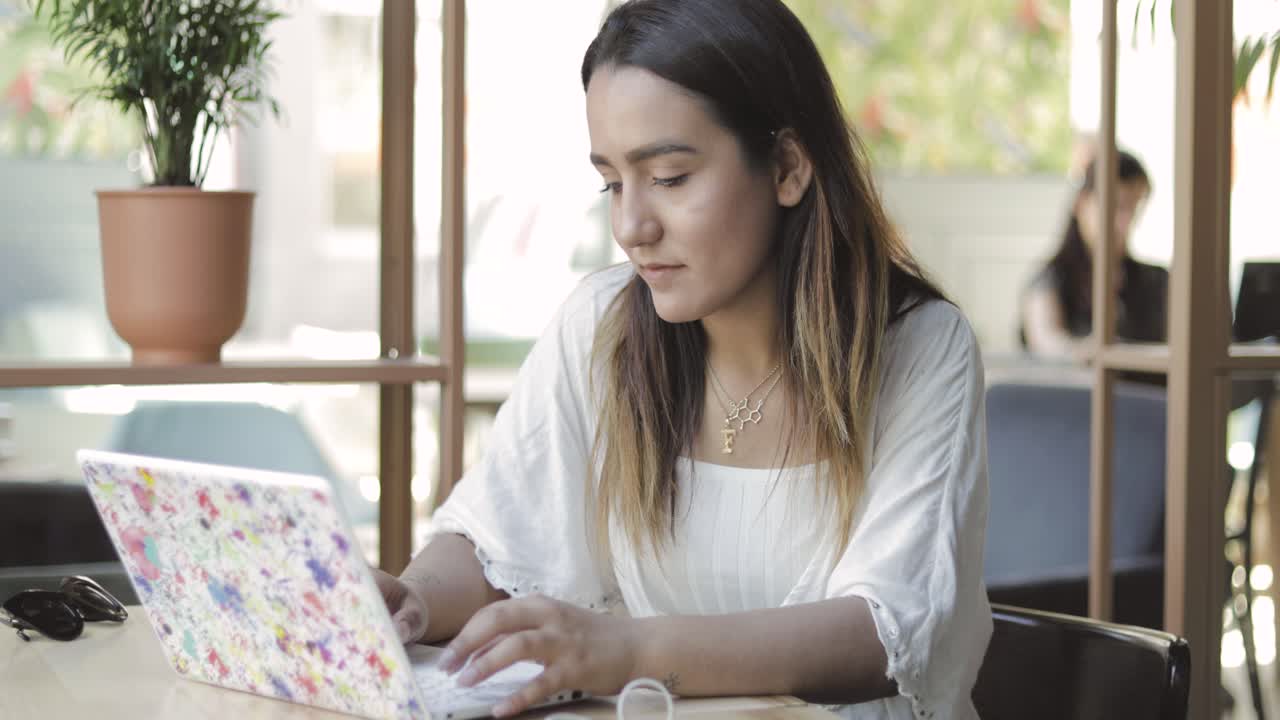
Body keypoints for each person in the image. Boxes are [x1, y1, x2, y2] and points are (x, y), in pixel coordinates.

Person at [373, 1, 991, 718]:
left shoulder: (920, 349)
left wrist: (630, 651)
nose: (631, 226)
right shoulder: (600, 330)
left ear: (787, 166)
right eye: (612, 183)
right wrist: (412, 599)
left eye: (667, 177)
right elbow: (497, 541)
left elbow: (882, 634)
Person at [1020, 150, 1168, 360]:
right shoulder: (1049, 279)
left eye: (1134, 210)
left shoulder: (1157, 280)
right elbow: (1047, 343)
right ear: (1081, 203)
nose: (1124, 223)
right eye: (1116, 207)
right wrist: (1095, 353)